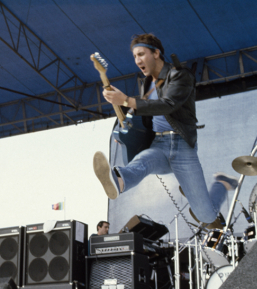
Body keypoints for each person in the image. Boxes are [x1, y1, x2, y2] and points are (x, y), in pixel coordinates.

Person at [93, 33, 237, 229]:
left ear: (156, 53)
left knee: (205, 215)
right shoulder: (147, 83)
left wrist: (126, 100)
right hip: (158, 146)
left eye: (141, 54)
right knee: (143, 161)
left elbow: (168, 104)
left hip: (182, 148)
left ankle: (222, 183)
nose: (137, 61)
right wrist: (119, 102)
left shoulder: (180, 75)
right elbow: (144, 111)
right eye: (135, 56)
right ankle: (119, 181)